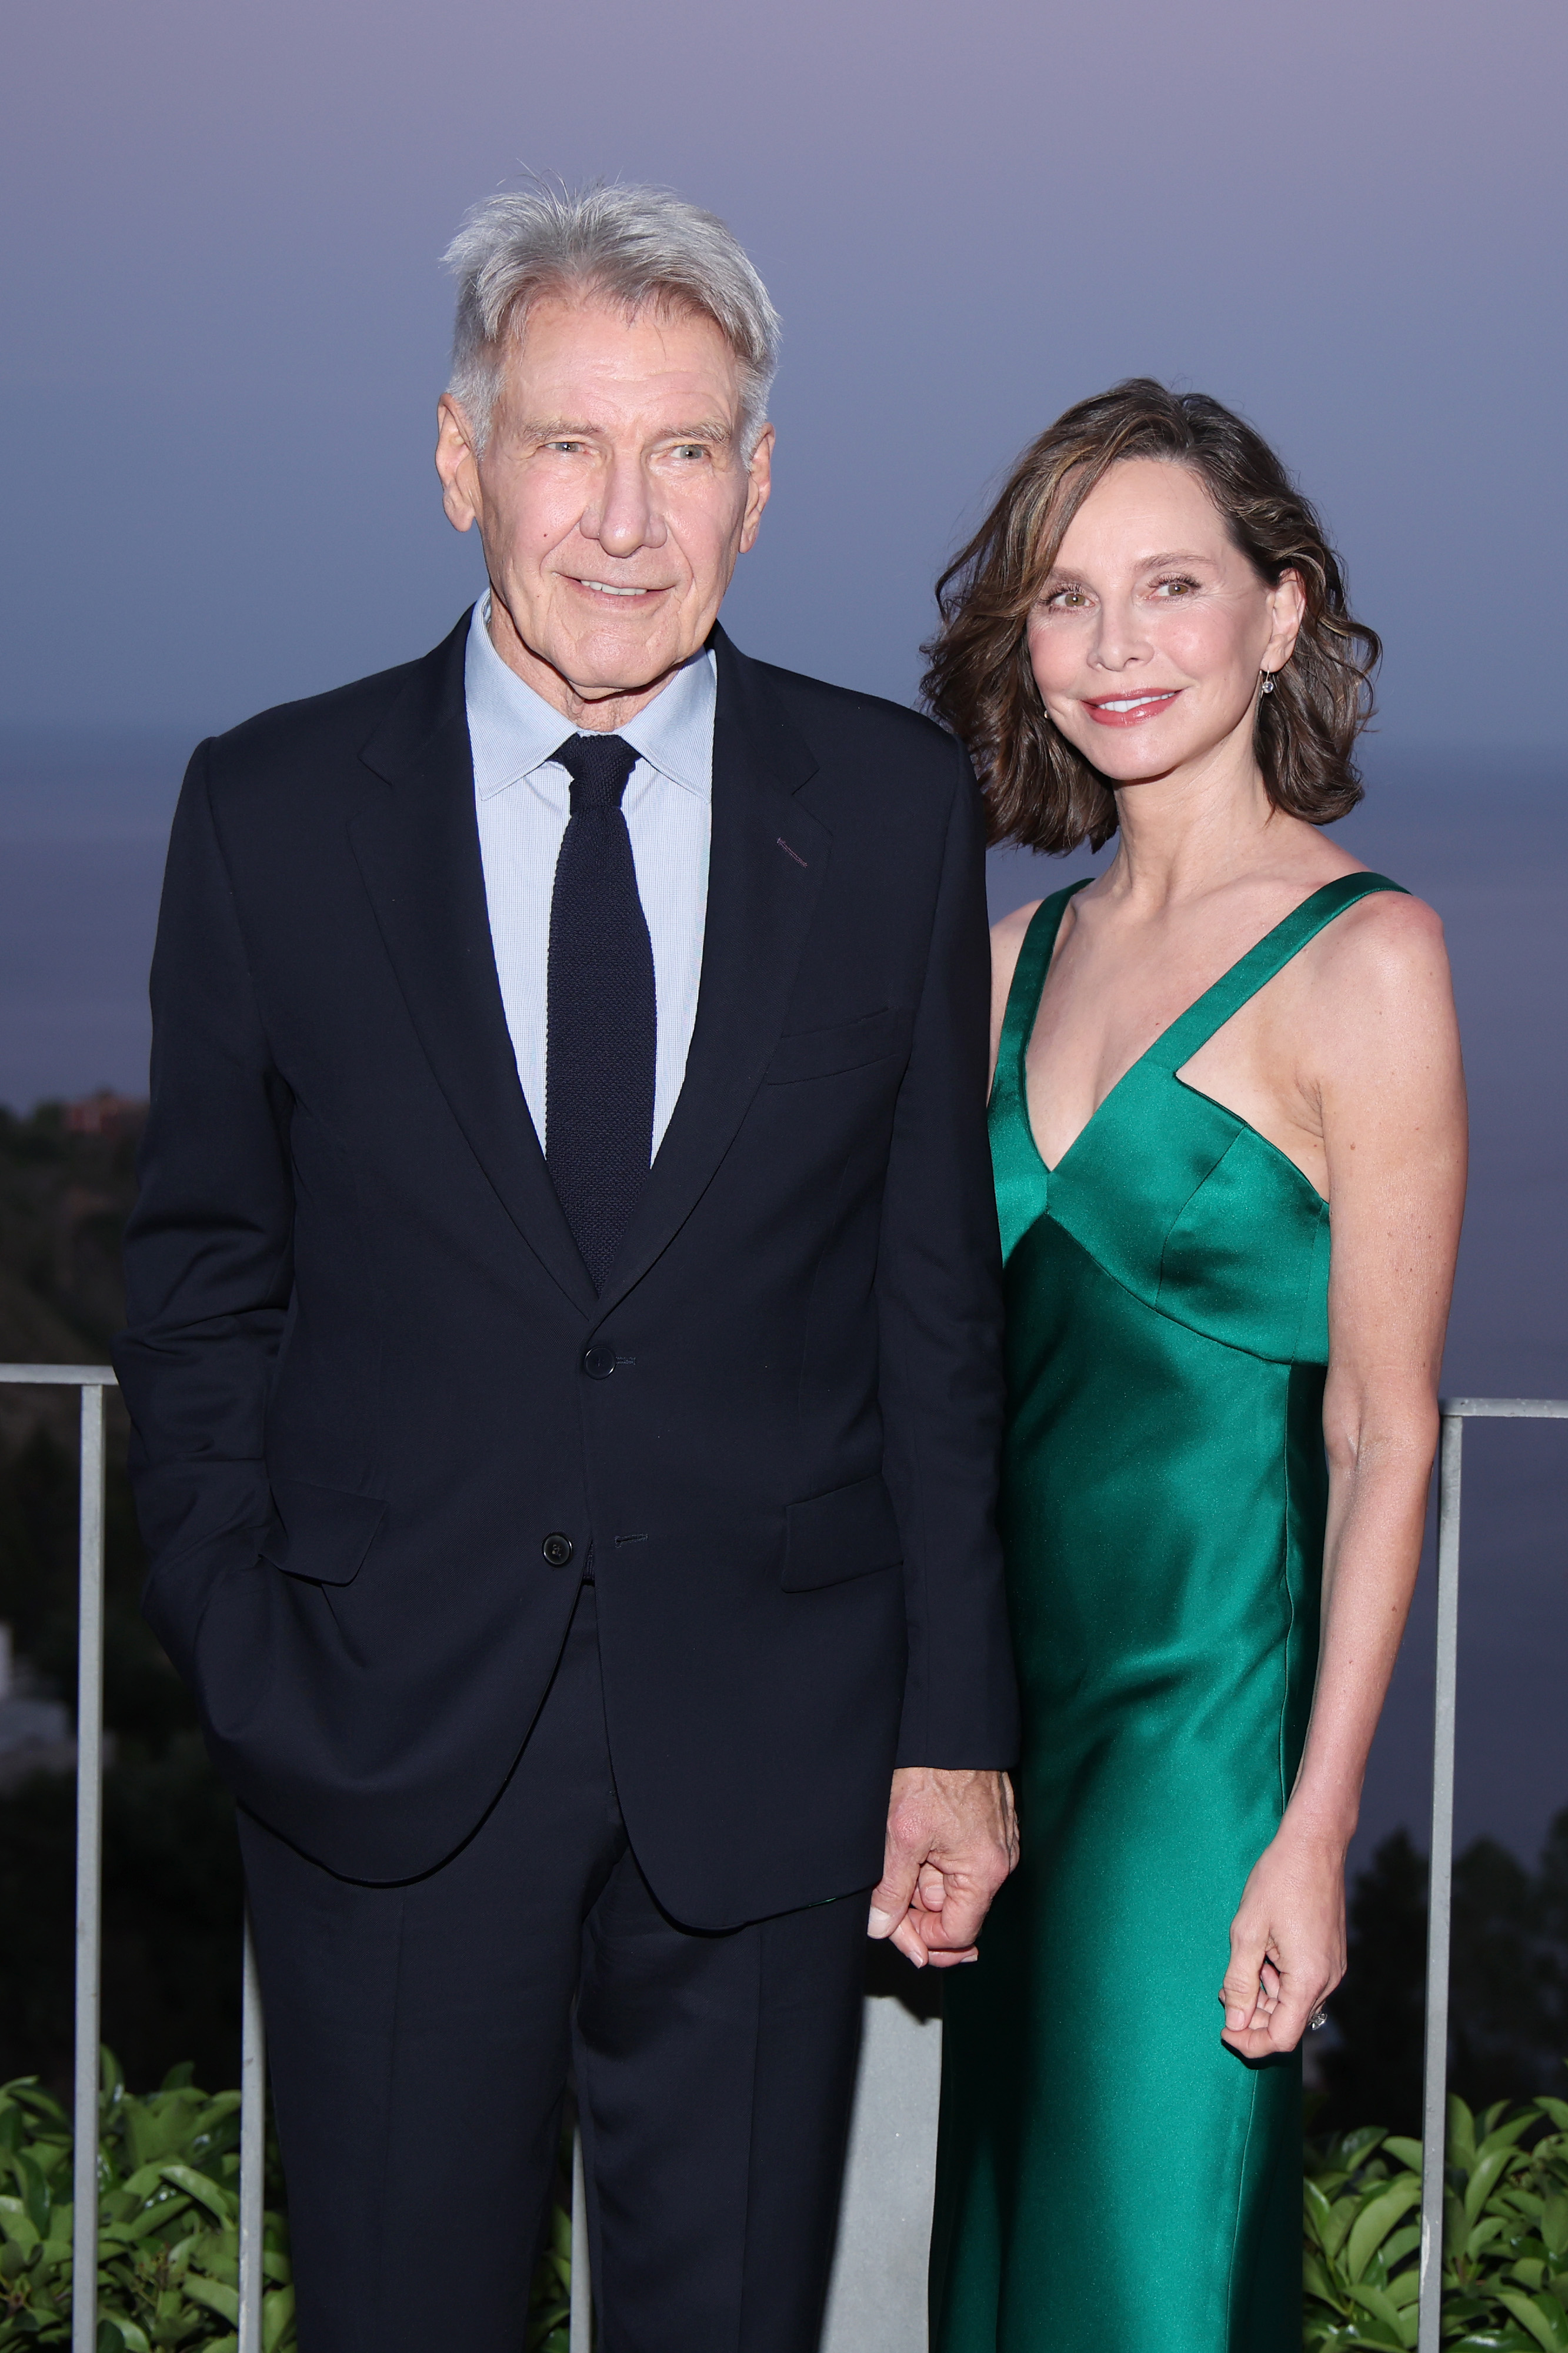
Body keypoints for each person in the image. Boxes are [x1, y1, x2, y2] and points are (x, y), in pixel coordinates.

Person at [113, 184, 1019, 2353]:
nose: (624, 520)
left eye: (683, 451)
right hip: (382, 1751)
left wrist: (953, 1733)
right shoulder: (268, 809)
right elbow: (203, 1280)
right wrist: (246, 1654)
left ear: (759, 482)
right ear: (460, 463)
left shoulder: (892, 811)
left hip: (777, 1764)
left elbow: (932, 1307)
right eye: (565, 446)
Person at [923, 380, 1466, 2352]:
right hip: (1010, 1764)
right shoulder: (1000, 961)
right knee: (997, 2290)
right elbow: (946, 1401)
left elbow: (1385, 1436)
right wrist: (937, 1750)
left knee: (1143, 2296)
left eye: (1171, 587)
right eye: (1065, 600)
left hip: (1199, 1769)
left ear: (1277, 614)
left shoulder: (1367, 961)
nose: (1116, 646)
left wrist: (1313, 1829)